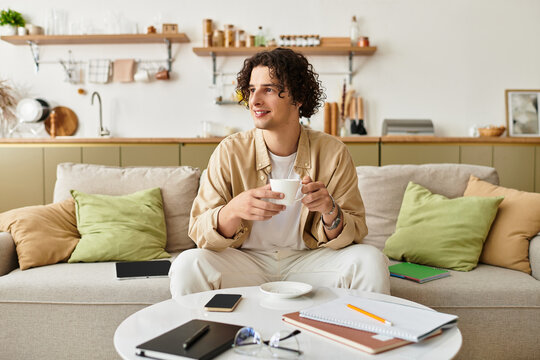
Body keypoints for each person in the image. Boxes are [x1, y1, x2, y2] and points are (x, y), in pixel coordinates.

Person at [169, 48, 389, 297]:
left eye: (269, 89)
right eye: (252, 90)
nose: (254, 100)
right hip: (245, 262)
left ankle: (365, 335)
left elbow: (355, 231)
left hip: (311, 261)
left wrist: (330, 210)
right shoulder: (229, 151)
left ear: (298, 98)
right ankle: (200, 335)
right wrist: (233, 210)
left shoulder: (333, 152)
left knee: (370, 260)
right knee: (188, 264)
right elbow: (199, 231)